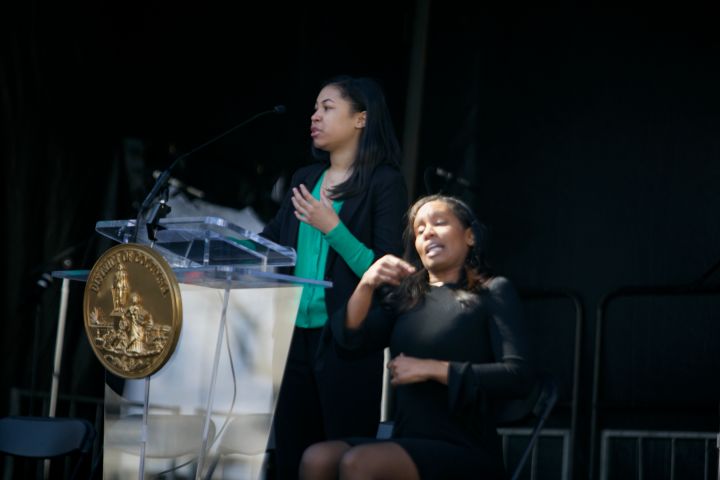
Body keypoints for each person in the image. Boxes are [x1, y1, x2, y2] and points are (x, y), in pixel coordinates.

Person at [299, 194, 535, 480]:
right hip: (406, 438)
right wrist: (367, 284)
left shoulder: (493, 291)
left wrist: (434, 369)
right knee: (317, 458)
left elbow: (518, 376)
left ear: (470, 236)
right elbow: (350, 342)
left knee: (358, 463)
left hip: (463, 445)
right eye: (419, 229)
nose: (428, 232)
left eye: (439, 222)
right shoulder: (407, 299)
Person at [260, 75, 408, 479]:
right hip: (292, 335)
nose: (314, 116)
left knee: (340, 455)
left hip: (345, 338)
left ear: (361, 119)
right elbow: (269, 244)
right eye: (314, 108)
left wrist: (332, 226)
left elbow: (385, 268)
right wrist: (218, 248)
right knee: (292, 455)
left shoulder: (384, 182)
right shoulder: (305, 178)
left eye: (327, 108)